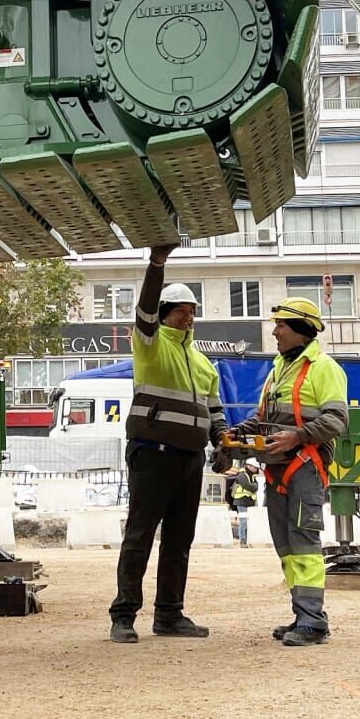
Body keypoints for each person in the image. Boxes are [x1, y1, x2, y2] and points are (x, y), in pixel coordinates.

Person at [109, 244, 226, 644]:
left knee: (179, 540)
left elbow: (215, 410)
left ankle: (169, 615)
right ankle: (124, 615)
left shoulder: (203, 362)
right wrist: (157, 264)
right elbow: (143, 310)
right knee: (140, 535)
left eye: (192, 311)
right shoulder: (150, 343)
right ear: (163, 315)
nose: (189, 317)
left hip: (191, 459)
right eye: (181, 310)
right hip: (152, 455)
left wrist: (223, 442)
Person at [236, 297, 348, 647]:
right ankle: (303, 613)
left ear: (301, 329)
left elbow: (336, 419)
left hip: (304, 467)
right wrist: (239, 434)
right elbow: (264, 417)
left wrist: (296, 437)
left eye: (281, 326)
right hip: (277, 470)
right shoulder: (279, 369)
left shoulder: (323, 368)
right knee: (286, 546)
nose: (275, 331)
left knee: (304, 542)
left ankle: (313, 621)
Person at [224, 460, 259, 546]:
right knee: (243, 522)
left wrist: (253, 486)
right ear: (249, 466)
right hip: (241, 501)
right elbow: (250, 486)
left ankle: (246, 540)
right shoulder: (242, 476)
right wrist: (253, 486)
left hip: (250, 502)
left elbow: (256, 487)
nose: (256, 469)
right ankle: (242, 541)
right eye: (254, 467)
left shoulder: (252, 476)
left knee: (248, 522)